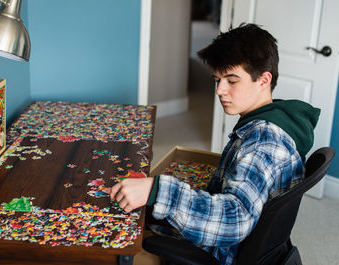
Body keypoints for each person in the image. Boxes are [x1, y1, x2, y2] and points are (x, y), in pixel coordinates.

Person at [107, 23, 320, 265]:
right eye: (217, 79)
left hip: (222, 252)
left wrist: (157, 190)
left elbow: (234, 220)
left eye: (232, 80)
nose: (220, 90)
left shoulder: (263, 142)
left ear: (263, 80)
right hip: (247, 246)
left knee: (116, 245)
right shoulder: (275, 120)